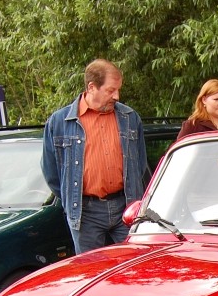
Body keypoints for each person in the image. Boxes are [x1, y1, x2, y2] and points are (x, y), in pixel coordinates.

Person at [42, 59, 150, 254]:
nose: (117, 96)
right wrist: (72, 198)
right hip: (85, 212)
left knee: (133, 263)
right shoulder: (60, 122)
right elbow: (52, 172)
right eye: (111, 90)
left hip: (126, 207)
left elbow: (140, 164)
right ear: (92, 87)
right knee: (90, 267)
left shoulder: (130, 118)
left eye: (118, 90)